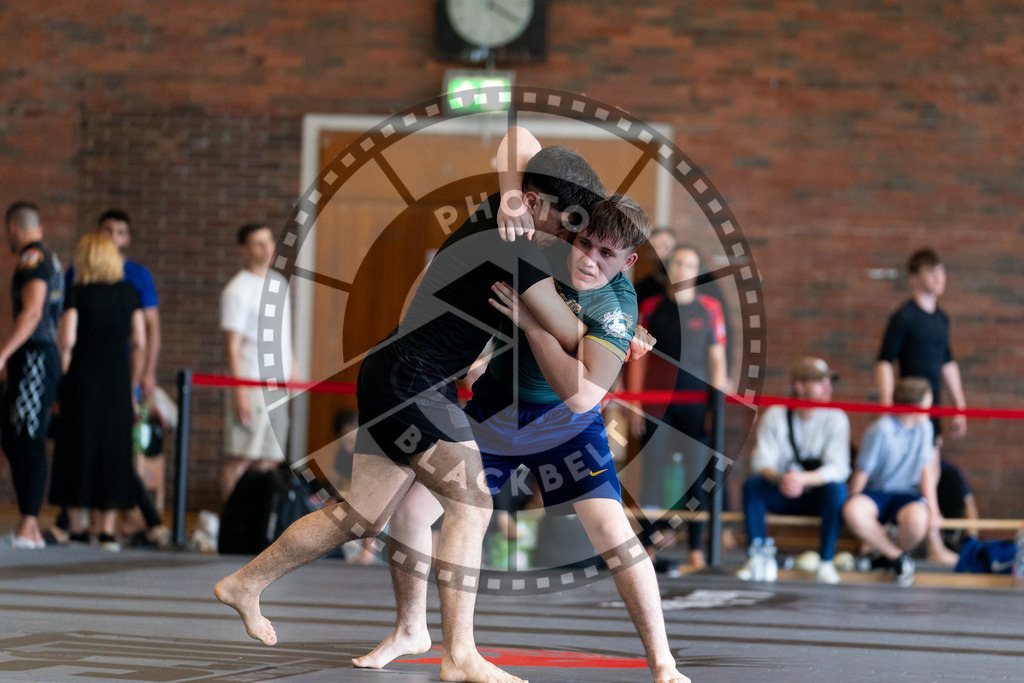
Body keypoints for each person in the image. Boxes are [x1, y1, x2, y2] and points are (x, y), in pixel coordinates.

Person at [215, 126, 608, 683]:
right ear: (542, 202)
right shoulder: (517, 243)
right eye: (566, 223)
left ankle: (245, 582)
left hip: (402, 373)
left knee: (360, 516)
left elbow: (518, 138)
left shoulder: (508, 207)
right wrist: (614, 316)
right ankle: (460, 655)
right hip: (411, 381)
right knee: (473, 500)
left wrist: (512, 191)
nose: (569, 238)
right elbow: (570, 333)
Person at [354, 194, 688, 683]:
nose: (590, 260)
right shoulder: (542, 254)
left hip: (566, 425)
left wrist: (533, 327)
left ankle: (663, 662)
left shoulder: (617, 305)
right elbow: (521, 153)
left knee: (616, 537)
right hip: (494, 409)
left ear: (628, 262)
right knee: (410, 512)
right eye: (587, 244)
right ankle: (410, 629)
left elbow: (579, 396)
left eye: (607, 255)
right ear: (575, 234)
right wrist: (512, 199)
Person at [628, 244, 728, 570]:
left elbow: (717, 361)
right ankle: (648, 545)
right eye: (679, 263)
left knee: (697, 478)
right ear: (668, 269)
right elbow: (638, 361)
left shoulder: (710, 308)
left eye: (690, 264)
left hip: (697, 404)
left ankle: (696, 549)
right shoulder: (651, 307)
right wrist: (634, 404)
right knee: (652, 476)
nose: (684, 269)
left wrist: (718, 407)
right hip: (657, 405)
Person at [49, 234, 146, 551]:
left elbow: (67, 341)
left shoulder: (77, 293)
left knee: (76, 447)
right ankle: (106, 530)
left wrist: (59, 383)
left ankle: (76, 527)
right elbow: (140, 341)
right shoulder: (129, 292)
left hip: (82, 381)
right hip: (117, 382)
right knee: (113, 450)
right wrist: (133, 384)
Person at [876, 247, 971, 566]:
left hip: (933, 411)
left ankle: (927, 542)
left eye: (942, 272)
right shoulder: (904, 316)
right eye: (932, 272)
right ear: (915, 277)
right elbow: (885, 361)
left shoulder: (942, 318)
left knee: (929, 475)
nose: (940, 278)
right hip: (908, 411)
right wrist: (890, 405)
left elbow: (947, 362)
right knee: (912, 476)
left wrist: (958, 404)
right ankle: (920, 543)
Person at [738, 356, 850, 584]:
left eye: (828, 382)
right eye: (819, 382)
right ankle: (758, 557)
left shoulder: (836, 418)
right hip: (782, 490)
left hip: (815, 495)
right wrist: (782, 479)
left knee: (837, 492)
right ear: (800, 386)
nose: (827, 387)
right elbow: (760, 459)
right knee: (753, 488)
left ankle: (826, 561)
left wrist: (803, 479)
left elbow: (839, 468)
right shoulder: (776, 415)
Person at [0, 202, 64, 549]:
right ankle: (31, 527)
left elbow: (33, 310)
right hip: (36, 356)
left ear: (13, 227)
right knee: (13, 435)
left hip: (35, 355)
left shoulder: (33, 260)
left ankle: (28, 526)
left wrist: (4, 353)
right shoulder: (49, 257)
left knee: (27, 437)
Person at [219, 222, 295, 501]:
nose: (267, 249)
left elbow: (282, 334)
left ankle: (253, 523)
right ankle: (231, 524)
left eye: (269, 242)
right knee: (241, 456)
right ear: (243, 250)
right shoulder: (236, 290)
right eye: (258, 244)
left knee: (270, 458)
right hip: (251, 382)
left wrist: (293, 368)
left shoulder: (280, 284)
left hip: (279, 383)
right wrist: (240, 390)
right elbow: (232, 344)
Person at [843, 377, 941, 586]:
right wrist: (850, 501)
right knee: (853, 511)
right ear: (914, 407)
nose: (930, 408)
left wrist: (934, 510)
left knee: (917, 523)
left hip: (906, 493)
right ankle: (895, 557)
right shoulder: (880, 430)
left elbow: (926, 471)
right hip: (876, 492)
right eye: (927, 403)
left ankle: (884, 555)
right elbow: (863, 471)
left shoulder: (925, 428)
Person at [633, 227, 678, 302]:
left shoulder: (693, 284)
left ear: (677, 248)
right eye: (652, 249)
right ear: (646, 253)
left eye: (665, 246)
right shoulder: (641, 289)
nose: (659, 254)